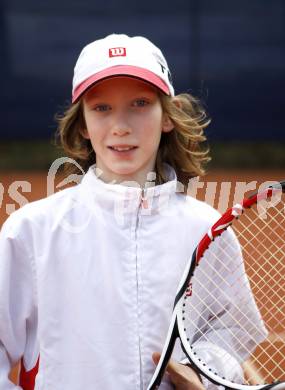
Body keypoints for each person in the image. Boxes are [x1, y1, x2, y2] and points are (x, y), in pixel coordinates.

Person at [0, 34, 266, 390]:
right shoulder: (31, 231)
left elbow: (229, 329)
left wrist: (202, 371)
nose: (121, 125)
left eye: (140, 103)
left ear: (167, 117)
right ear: (82, 124)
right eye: (101, 108)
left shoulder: (206, 230)